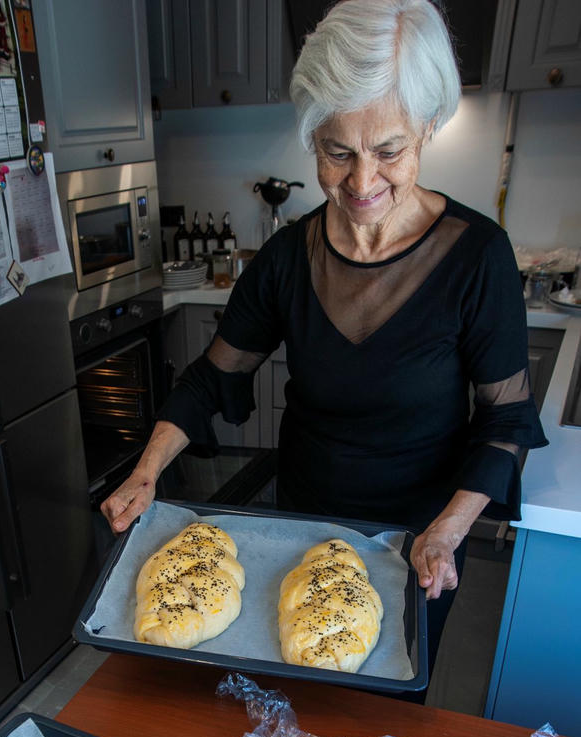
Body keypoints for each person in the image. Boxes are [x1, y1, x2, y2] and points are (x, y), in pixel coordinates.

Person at [100, 0, 547, 680]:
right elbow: (207, 381)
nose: (362, 182)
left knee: (381, 713)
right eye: (337, 153)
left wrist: (448, 533)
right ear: (313, 139)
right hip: (301, 529)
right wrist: (145, 471)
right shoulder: (287, 257)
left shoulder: (476, 256)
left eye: (389, 151)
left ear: (427, 128)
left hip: (419, 534)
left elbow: (506, 420)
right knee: (287, 702)